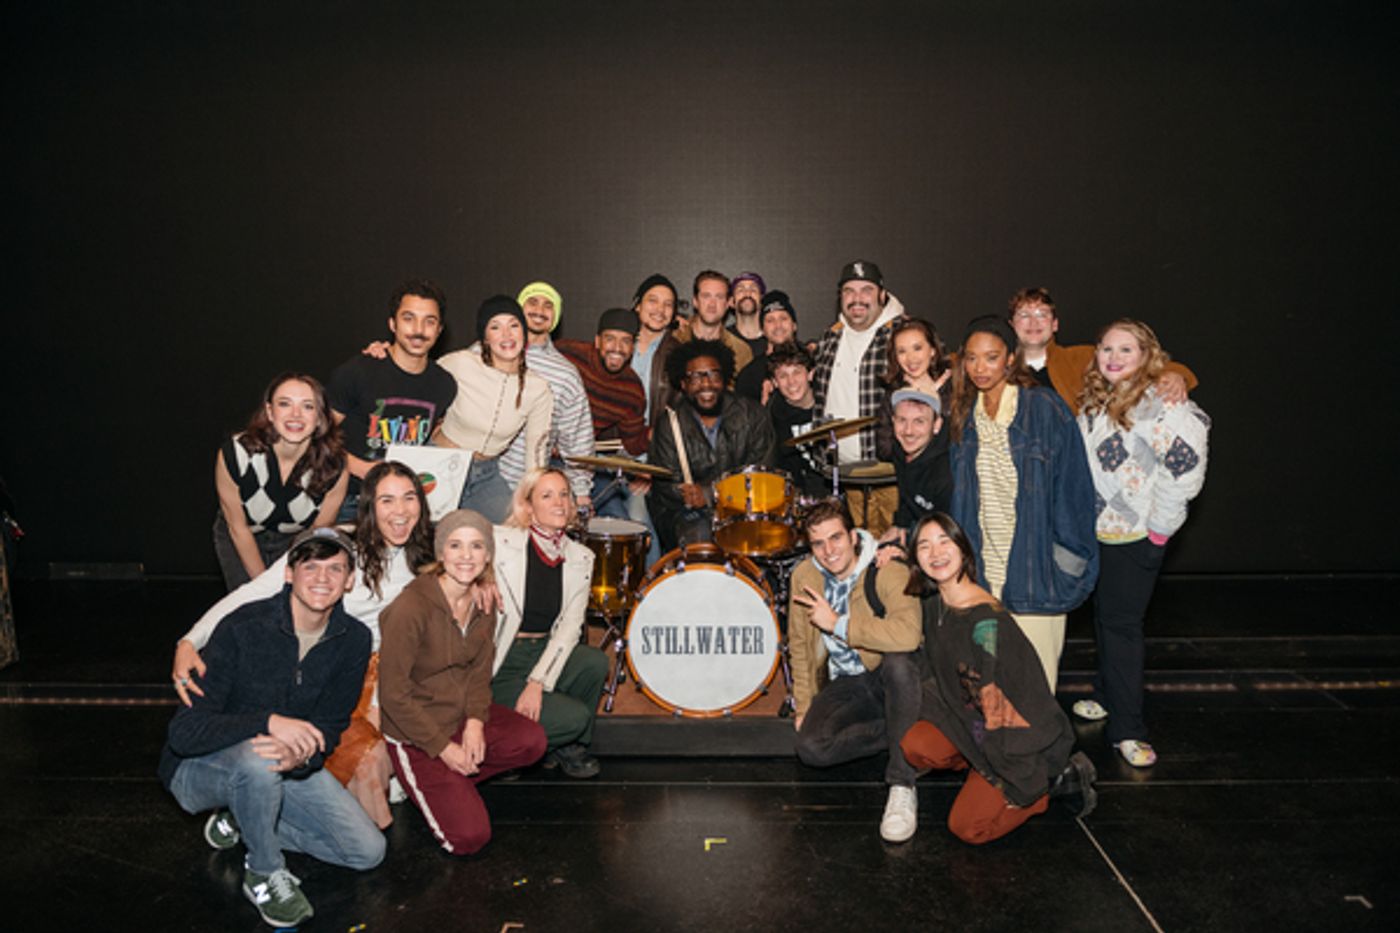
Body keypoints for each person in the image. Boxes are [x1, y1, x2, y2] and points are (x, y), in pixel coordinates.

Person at [173, 460, 437, 828]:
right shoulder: (338, 550)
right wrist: (190, 639)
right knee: (354, 762)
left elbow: (485, 549)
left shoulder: (429, 555)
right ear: (369, 507)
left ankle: (264, 807)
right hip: (334, 667)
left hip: (387, 674)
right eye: (387, 500)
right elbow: (254, 592)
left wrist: (485, 579)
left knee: (372, 766)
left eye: (409, 498)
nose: (401, 510)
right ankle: (254, 803)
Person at [159, 527, 384, 928]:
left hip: (283, 767)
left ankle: (245, 815)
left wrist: (302, 755)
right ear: (288, 573)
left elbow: (328, 728)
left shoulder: (353, 640)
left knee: (367, 852)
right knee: (258, 760)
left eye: (335, 569)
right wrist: (267, 723)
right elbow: (184, 733)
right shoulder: (242, 627)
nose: (322, 578)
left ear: (350, 580)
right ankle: (263, 870)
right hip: (197, 770)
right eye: (310, 566)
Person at [899, 513, 1097, 845]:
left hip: (1008, 736)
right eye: (924, 546)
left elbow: (1002, 710)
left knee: (968, 828)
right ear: (916, 559)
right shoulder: (935, 605)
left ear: (963, 549)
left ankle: (1046, 791)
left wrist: (1007, 770)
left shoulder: (986, 624)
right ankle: (979, 771)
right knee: (915, 746)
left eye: (944, 542)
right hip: (969, 720)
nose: (935, 553)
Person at [1073, 320, 1210, 767]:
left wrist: (1159, 532)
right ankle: (1106, 693)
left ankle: (1128, 730)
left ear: (1146, 355)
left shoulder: (1167, 405)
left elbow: (1184, 472)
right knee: (1108, 618)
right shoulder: (1096, 401)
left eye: (1125, 350)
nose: (1113, 357)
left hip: (1136, 538)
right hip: (1099, 534)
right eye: (1106, 348)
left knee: (1122, 628)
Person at [378, 509, 547, 855]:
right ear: (441, 553)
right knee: (469, 839)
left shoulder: (483, 602)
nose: (466, 556)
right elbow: (393, 696)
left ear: (488, 555)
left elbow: (478, 673)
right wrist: (443, 748)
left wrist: (473, 724)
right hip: (414, 733)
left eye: (476, 546)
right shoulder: (410, 609)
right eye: (455, 545)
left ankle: (451, 781)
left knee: (531, 741)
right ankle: (430, 781)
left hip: (456, 717)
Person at [946, 315, 1099, 692]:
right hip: (984, 575)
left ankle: (1040, 755)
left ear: (1010, 359)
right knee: (989, 686)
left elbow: (1075, 492)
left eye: (991, 357)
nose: (980, 368)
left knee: (1034, 691)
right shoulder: (965, 417)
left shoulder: (1043, 408)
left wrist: (1063, 564)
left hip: (1034, 573)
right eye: (971, 358)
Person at [788, 500, 923, 843]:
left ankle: (902, 783)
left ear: (853, 536)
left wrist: (839, 625)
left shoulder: (886, 568)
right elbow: (800, 644)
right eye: (818, 543)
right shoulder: (804, 577)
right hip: (847, 682)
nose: (828, 551)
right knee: (812, 748)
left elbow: (908, 633)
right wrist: (803, 705)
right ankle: (904, 734)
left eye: (836, 538)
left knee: (900, 663)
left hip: (885, 677)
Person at [490, 468, 607, 778]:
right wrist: (480, 580)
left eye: (564, 494)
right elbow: (455, 538)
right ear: (528, 506)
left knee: (594, 662)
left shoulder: (580, 556)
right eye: (547, 495)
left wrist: (538, 682)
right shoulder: (500, 542)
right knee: (574, 716)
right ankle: (508, 750)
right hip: (504, 658)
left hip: (541, 648)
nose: (559, 502)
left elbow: (569, 629)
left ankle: (569, 747)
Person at [327, 279, 457, 521]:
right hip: (350, 500)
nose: (419, 329)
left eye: (429, 321)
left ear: (439, 330)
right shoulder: (358, 372)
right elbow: (315, 435)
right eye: (408, 318)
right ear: (392, 324)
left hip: (406, 506)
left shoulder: (444, 385)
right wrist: (358, 467)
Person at [214, 372, 348, 589]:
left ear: (320, 417)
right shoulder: (236, 453)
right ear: (270, 411)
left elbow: (315, 532)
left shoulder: (334, 466)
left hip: (294, 541)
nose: (296, 415)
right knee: (248, 604)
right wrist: (263, 585)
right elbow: (238, 528)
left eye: (308, 406)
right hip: (242, 536)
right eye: (285, 404)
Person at [646, 339, 776, 552]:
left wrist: (709, 494)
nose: (706, 384)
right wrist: (686, 494)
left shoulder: (753, 415)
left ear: (724, 379)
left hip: (742, 509)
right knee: (701, 537)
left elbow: (761, 475)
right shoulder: (670, 423)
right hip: (685, 512)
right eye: (695, 377)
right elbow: (665, 483)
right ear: (683, 384)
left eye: (713, 375)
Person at [435, 295, 553, 523]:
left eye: (514, 325)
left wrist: (536, 497)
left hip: (485, 475)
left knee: (517, 527)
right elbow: (414, 375)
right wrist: (384, 352)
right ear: (485, 339)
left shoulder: (538, 389)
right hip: (442, 464)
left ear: (524, 334)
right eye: (495, 327)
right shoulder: (460, 363)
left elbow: (536, 453)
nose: (507, 335)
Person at [809, 260, 907, 535]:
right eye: (849, 291)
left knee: (891, 557)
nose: (857, 299)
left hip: (887, 475)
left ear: (882, 295)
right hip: (844, 474)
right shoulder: (830, 337)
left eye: (866, 290)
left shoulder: (902, 334)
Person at [556, 308, 660, 562]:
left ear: (633, 346)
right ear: (597, 341)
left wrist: (658, 437)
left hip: (588, 465)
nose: (617, 347)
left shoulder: (631, 389)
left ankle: (647, 591)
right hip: (547, 460)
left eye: (626, 341)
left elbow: (633, 442)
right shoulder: (566, 353)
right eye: (610, 339)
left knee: (625, 527)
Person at [1008, 286, 1197, 413]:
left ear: (1055, 324)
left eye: (1042, 314)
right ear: (1012, 324)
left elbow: (1144, 363)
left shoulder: (1081, 357)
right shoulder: (999, 369)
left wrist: (1174, 375)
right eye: (1024, 315)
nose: (1033, 322)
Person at [498, 281, 596, 508]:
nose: (539, 310)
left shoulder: (566, 374)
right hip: (476, 479)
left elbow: (578, 439)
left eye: (548, 306)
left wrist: (580, 493)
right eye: (532, 302)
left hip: (528, 488)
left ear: (556, 316)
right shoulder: (487, 351)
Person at [875, 388, 952, 567]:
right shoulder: (901, 450)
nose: (908, 431)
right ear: (893, 421)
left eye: (919, 421)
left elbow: (950, 537)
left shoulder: (946, 473)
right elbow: (906, 494)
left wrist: (905, 550)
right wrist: (899, 524)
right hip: (918, 531)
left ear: (937, 424)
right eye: (902, 420)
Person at [765, 341, 828, 498]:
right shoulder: (772, 417)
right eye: (783, 376)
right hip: (801, 494)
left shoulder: (830, 402)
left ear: (811, 374)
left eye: (797, 372)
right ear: (774, 382)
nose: (791, 382)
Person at [675, 270, 754, 380]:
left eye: (719, 297)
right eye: (706, 296)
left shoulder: (741, 351)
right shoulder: (674, 340)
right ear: (695, 301)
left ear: (728, 303)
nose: (712, 304)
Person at [629, 273, 683, 429]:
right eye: (653, 301)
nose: (660, 309)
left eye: (668, 304)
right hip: (609, 448)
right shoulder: (617, 345)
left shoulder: (679, 354)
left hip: (655, 448)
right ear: (638, 305)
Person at [734, 289, 800, 401]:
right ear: (762, 330)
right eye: (770, 320)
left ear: (794, 325)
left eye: (783, 318)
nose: (778, 325)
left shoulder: (811, 363)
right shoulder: (750, 374)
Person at [727, 270, 769, 360]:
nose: (747, 294)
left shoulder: (773, 339)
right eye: (740, 290)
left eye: (753, 289)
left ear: (762, 301)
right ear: (731, 302)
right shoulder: (723, 339)